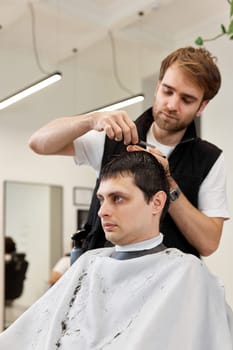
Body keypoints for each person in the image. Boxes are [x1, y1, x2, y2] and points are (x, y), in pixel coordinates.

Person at [0, 151, 232, 349]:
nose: (102, 211)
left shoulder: (188, 275)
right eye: (102, 199)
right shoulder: (88, 263)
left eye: (118, 198)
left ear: (157, 202)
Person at [28, 46, 229, 258]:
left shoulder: (209, 159)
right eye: (167, 91)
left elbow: (208, 243)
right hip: (102, 273)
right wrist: (91, 120)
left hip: (168, 283)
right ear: (158, 86)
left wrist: (168, 182)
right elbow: (38, 143)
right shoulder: (115, 136)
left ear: (202, 106)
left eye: (186, 99)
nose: (172, 105)